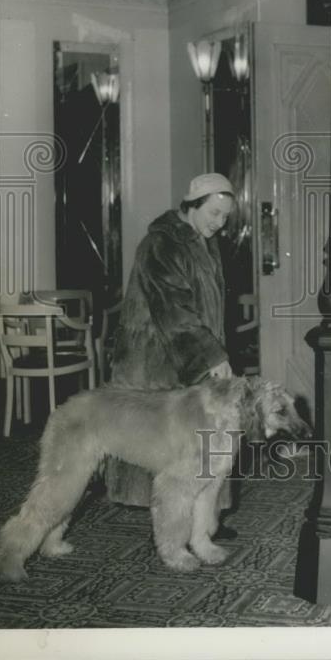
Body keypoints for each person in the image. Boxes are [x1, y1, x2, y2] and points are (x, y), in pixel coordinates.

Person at [105, 173, 235, 507]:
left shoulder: (201, 239)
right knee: (162, 447)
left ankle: (202, 518)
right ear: (192, 206)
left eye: (225, 216)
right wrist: (211, 356)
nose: (220, 224)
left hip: (188, 352)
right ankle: (172, 522)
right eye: (214, 214)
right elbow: (174, 311)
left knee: (198, 437)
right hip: (155, 360)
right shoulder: (162, 244)